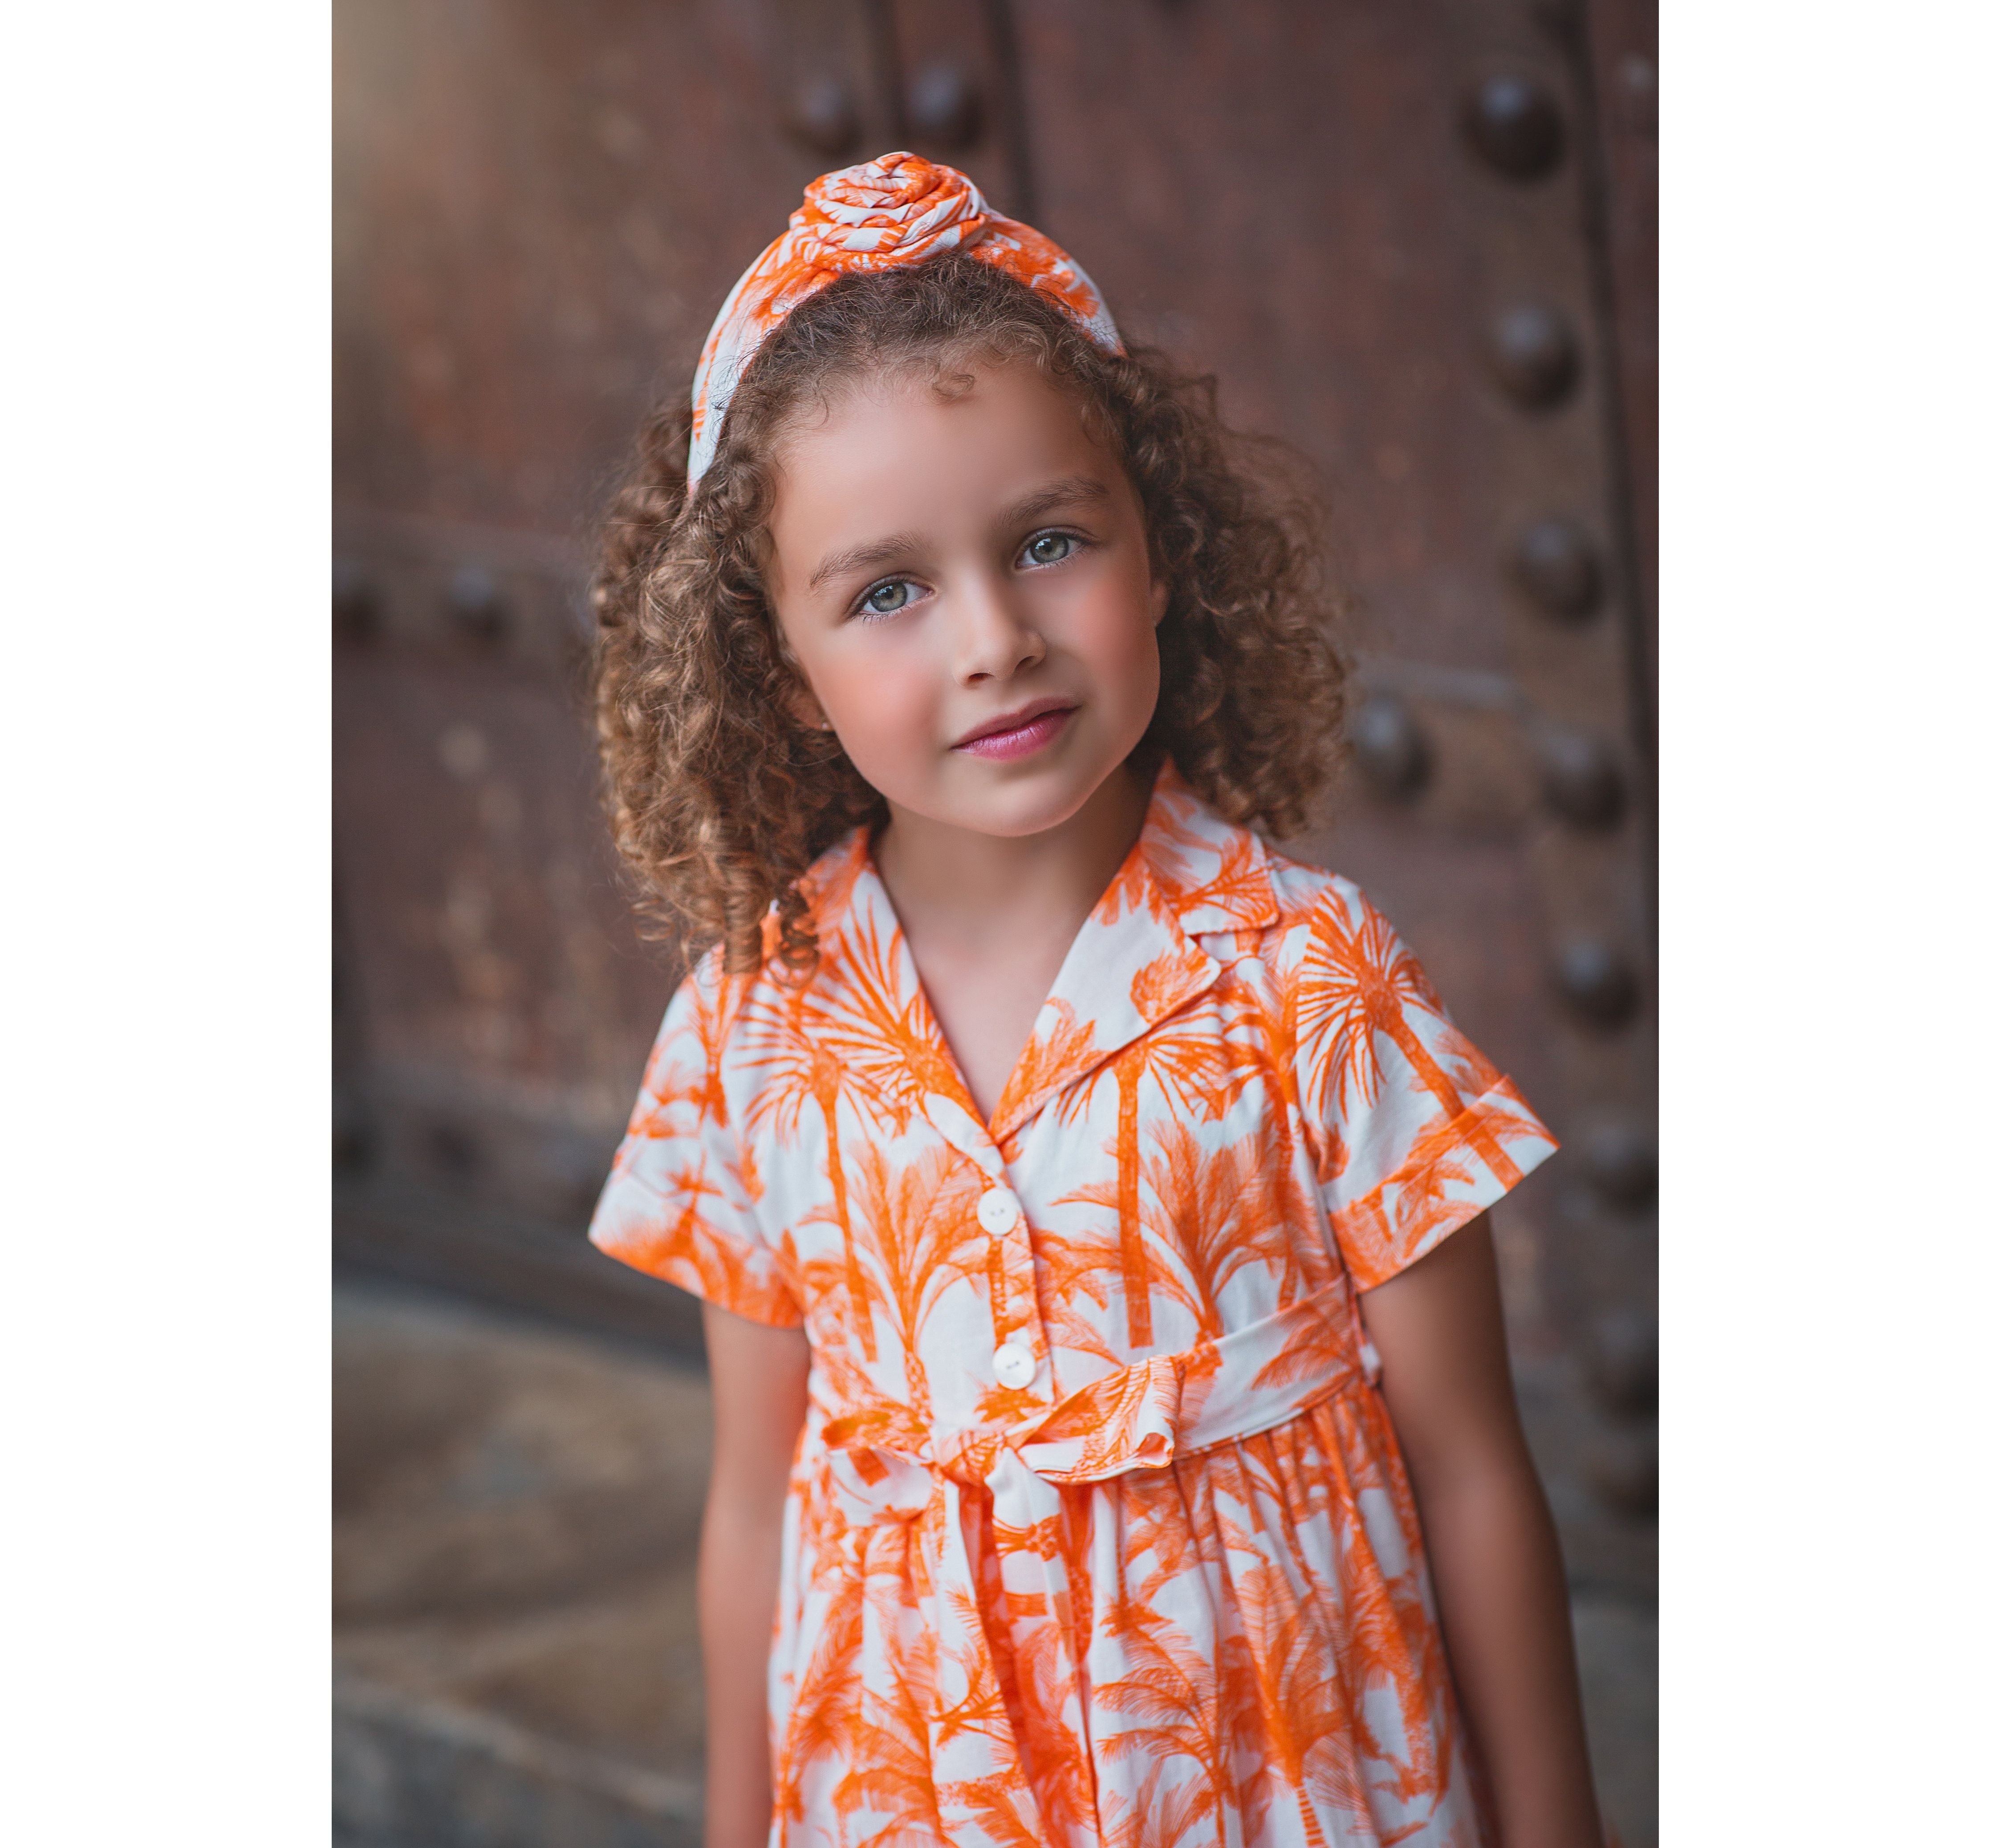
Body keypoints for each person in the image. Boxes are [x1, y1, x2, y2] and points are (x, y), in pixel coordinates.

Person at [588, 153, 1606, 1848]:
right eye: (888, 590)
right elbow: (757, 1497)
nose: (994, 638)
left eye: (1049, 542)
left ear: (1159, 555)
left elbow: (1478, 1472)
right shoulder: (750, 1019)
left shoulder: (1310, 981)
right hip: (913, 1785)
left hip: (1282, 1771)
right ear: (778, 663)